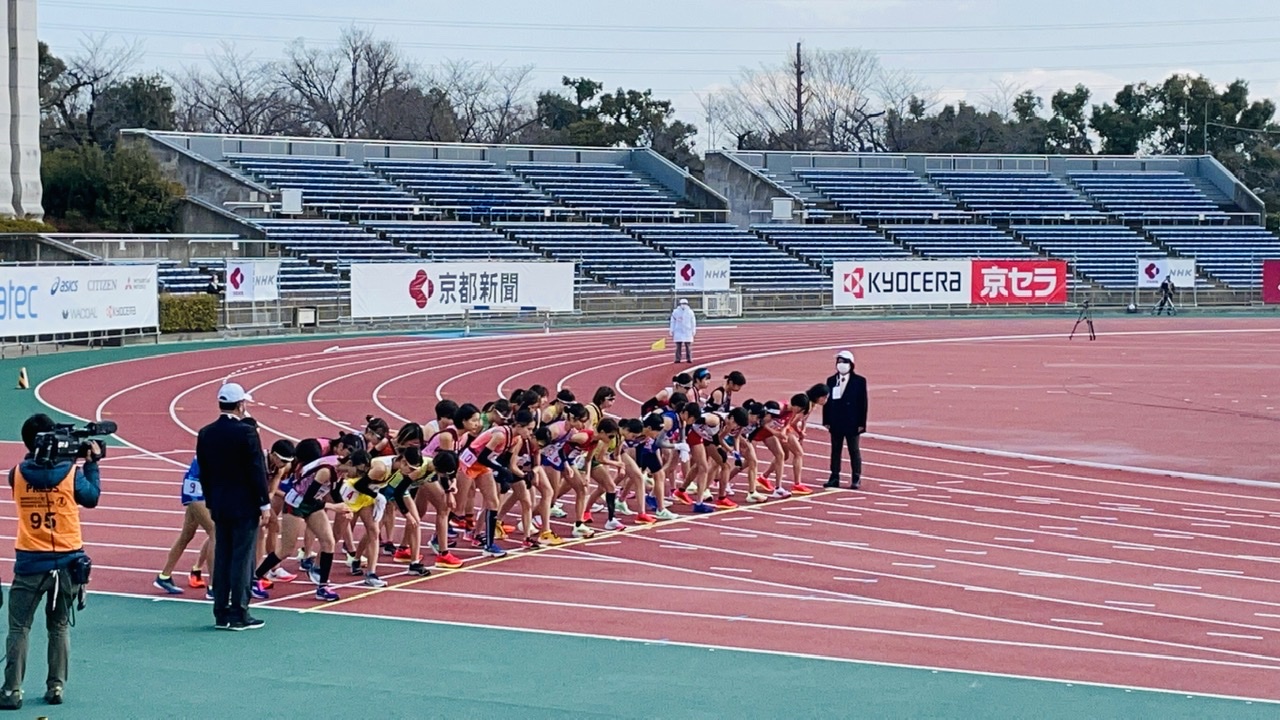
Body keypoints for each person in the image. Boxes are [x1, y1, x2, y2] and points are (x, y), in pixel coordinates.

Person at [0, 414, 101, 709]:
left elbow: (35, 468)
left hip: (30, 562)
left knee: (19, 628)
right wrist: (91, 464)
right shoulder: (71, 473)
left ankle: (11, 690)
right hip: (67, 563)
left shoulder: (15, 473)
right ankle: (56, 686)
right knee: (58, 627)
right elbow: (92, 497)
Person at [196, 382, 270, 631]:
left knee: (223, 556)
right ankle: (240, 612)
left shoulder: (206, 432)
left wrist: (211, 500)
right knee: (242, 558)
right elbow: (256, 470)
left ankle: (221, 612)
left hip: (219, 503)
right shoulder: (247, 433)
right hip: (245, 504)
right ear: (240, 405)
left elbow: (204, 472)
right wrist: (264, 503)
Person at [823, 350, 867, 490]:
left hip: (853, 422)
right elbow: (827, 402)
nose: (841, 365)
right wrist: (827, 421)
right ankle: (834, 476)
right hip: (836, 421)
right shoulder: (831, 380)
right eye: (839, 362)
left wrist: (861, 423)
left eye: (844, 362)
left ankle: (856, 477)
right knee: (835, 450)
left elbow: (863, 403)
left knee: (854, 450)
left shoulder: (859, 381)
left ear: (851, 364)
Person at [669, 298, 697, 364]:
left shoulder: (690, 312)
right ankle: (677, 359)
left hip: (687, 331)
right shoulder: (675, 312)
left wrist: (693, 330)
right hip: (678, 330)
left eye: (685, 304)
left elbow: (693, 322)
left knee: (688, 346)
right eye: (682, 304)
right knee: (678, 346)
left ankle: (689, 358)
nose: (683, 305)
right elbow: (672, 321)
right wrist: (671, 330)